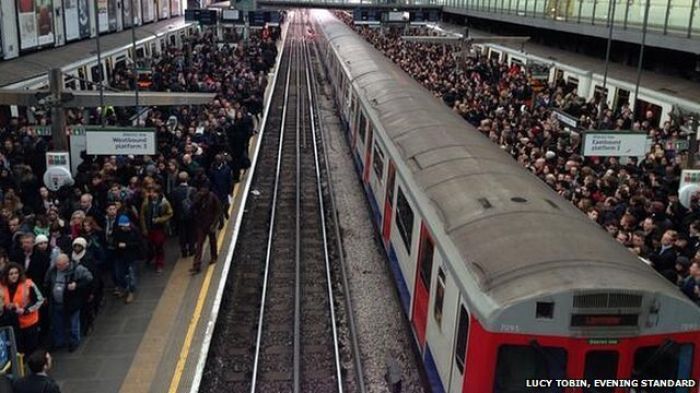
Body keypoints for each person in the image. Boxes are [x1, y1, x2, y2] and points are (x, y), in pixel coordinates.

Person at [44, 253, 93, 352]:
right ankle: (59, 342)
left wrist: (77, 285)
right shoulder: (53, 270)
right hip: (57, 302)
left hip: (72, 302)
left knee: (73, 323)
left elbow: (89, 279)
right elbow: (47, 282)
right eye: (57, 264)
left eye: (61, 265)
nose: (58, 267)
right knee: (57, 323)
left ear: (67, 263)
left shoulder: (78, 269)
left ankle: (74, 341)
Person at [1, 263, 43, 355]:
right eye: (11, 274)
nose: (14, 276)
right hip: (12, 324)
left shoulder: (28, 284)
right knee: (17, 351)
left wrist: (26, 310)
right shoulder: (1, 286)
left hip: (29, 323)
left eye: (16, 273)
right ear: (6, 275)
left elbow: (39, 300)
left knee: (30, 349)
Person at [140, 185, 173, 274]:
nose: (152, 194)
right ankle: (151, 257)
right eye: (150, 192)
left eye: (154, 192)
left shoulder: (164, 202)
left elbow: (170, 213)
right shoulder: (146, 202)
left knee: (159, 246)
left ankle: (159, 264)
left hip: (160, 228)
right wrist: (144, 228)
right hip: (149, 227)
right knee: (150, 245)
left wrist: (160, 219)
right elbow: (142, 216)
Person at [189, 182, 221, 274]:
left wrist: (215, 224)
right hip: (200, 224)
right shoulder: (198, 197)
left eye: (204, 190)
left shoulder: (213, 197)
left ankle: (214, 256)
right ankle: (196, 265)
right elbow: (193, 208)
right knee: (199, 244)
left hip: (210, 223)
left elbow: (218, 210)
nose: (202, 191)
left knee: (212, 241)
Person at [113, 215, 141, 304]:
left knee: (131, 275)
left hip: (131, 256)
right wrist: (118, 245)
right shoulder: (117, 232)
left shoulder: (134, 231)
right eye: (122, 226)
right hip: (120, 256)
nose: (124, 228)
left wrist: (126, 245)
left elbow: (138, 243)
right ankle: (125, 288)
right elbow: (114, 242)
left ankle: (131, 291)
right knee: (119, 274)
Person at [170, 172, 196, 257]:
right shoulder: (193, 190)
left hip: (180, 216)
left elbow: (173, 204)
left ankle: (184, 250)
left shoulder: (174, 191)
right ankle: (192, 249)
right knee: (191, 232)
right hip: (191, 215)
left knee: (182, 234)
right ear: (187, 178)